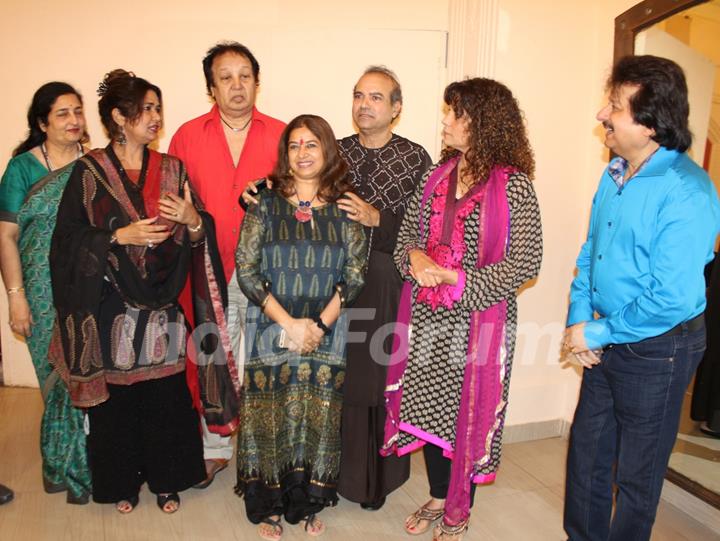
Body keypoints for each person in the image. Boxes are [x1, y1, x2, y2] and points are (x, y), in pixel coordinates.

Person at [49, 69, 237, 514]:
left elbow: (199, 233)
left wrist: (193, 219)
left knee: (166, 399)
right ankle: (124, 483)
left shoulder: (172, 168)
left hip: (163, 305)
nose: (155, 118)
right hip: (110, 305)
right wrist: (116, 238)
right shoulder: (89, 172)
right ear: (119, 116)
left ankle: (169, 480)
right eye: (146, 109)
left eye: (158, 108)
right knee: (118, 403)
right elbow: (67, 239)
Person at [563, 55, 720, 541]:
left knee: (637, 476)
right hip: (605, 338)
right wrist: (578, 318)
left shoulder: (686, 191)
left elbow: (670, 298)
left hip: (661, 350)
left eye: (613, 105)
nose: (600, 114)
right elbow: (591, 253)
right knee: (586, 459)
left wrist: (597, 330)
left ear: (650, 123)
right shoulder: (614, 172)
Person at [382, 78, 542, 541]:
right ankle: (436, 494)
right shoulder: (438, 175)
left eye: (455, 113)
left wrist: (459, 279)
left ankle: (459, 506)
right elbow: (407, 235)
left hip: (478, 320)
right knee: (430, 410)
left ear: (483, 123)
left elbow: (526, 262)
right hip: (428, 318)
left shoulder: (514, 187)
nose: (445, 121)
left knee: (464, 414)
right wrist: (412, 257)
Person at [235, 114, 367, 540]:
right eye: (294, 145)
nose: (303, 153)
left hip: (327, 332)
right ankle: (267, 504)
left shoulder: (347, 207)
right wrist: (290, 324)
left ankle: (308, 500)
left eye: (312, 144)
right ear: (284, 154)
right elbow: (246, 268)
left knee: (317, 413)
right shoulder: (265, 202)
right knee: (268, 413)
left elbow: (356, 274)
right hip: (271, 325)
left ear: (327, 150)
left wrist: (317, 328)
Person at [169, 41, 285, 487]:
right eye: (225, 77)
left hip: (266, 274)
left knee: (265, 361)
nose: (237, 85)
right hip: (207, 270)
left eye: (245, 76)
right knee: (212, 359)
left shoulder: (283, 134)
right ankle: (214, 450)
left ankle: (260, 452)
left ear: (257, 82)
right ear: (210, 87)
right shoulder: (186, 136)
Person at [335, 66, 431, 510]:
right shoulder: (334, 152)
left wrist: (378, 219)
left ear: (396, 109)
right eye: (358, 95)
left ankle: (375, 482)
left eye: (376, 97)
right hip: (337, 281)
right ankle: (334, 475)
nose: (364, 105)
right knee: (339, 377)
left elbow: (428, 234)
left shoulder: (415, 158)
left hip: (388, 282)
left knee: (379, 377)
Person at [0, 82, 91, 504]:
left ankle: (86, 466)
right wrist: (15, 295)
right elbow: (7, 236)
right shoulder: (22, 168)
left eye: (78, 111)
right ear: (42, 122)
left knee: (84, 371)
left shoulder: (94, 165)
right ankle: (61, 464)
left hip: (86, 287)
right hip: (38, 289)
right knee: (53, 376)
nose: (74, 121)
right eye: (62, 114)